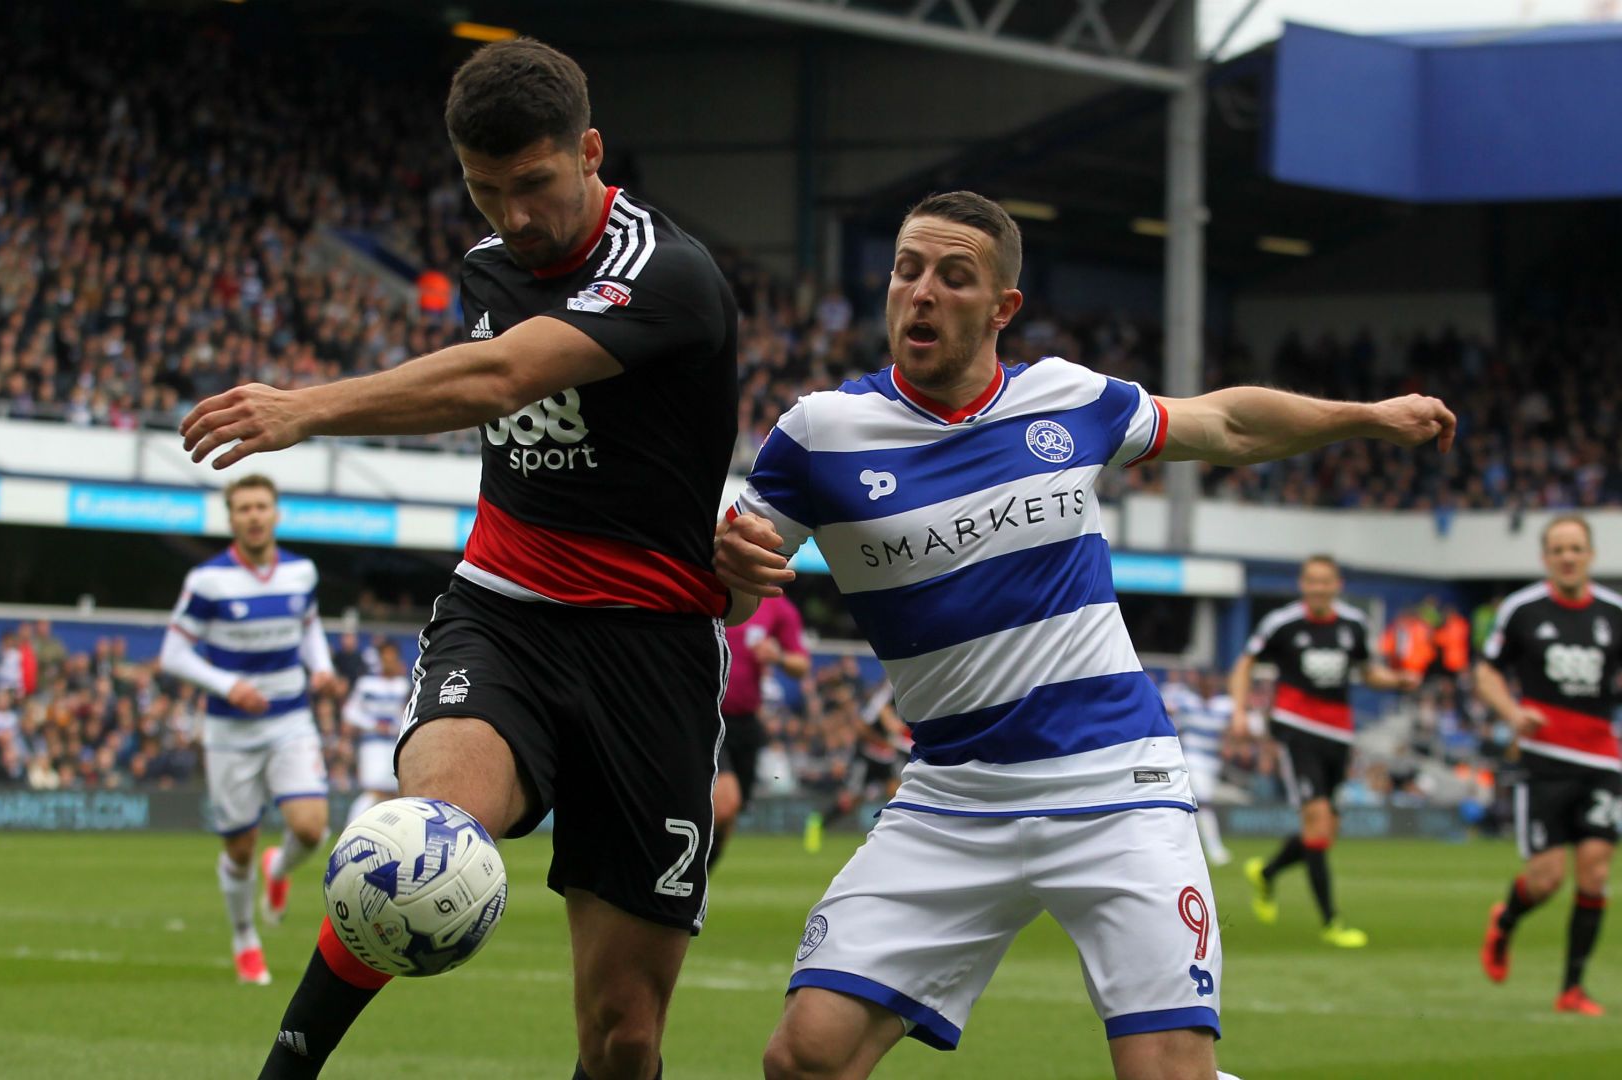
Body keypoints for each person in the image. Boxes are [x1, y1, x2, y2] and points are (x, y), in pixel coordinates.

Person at [715, 190, 1452, 1080]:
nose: (922, 292)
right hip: (954, 797)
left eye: (955, 277)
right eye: (908, 270)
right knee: (806, 1058)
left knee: (1166, 1072)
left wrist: (1366, 416)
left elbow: (1224, 423)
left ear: (1002, 307)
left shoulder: (1069, 398)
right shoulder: (818, 435)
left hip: (1117, 784)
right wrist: (728, 570)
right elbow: (731, 596)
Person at [181, 39, 739, 1080]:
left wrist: (306, 407)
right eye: (486, 192)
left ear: (590, 151)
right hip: (507, 615)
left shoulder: (669, 276)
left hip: (653, 651)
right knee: (413, 846)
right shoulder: (490, 266)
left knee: (623, 1037)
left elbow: (497, 377)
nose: (514, 219)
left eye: (534, 186)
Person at [159, 475, 338, 987]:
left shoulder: (302, 572)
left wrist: (320, 667)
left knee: (310, 828)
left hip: (289, 718)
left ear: (276, 514)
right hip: (230, 731)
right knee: (237, 848)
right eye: (243, 508)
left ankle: (278, 871)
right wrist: (226, 684)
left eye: (262, 506)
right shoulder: (207, 581)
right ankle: (244, 939)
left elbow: (308, 627)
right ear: (231, 518)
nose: (254, 515)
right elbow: (172, 654)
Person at [1230, 555, 1418, 948]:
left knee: (1324, 831)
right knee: (1316, 820)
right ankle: (1332, 921)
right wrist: (1239, 712)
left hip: (1338, 735)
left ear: (1337, 584)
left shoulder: (1353, 625)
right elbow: (1244, 664)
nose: (1318, 588)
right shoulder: (1282, 624)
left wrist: (1398, 680)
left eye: (1325, 581)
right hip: (1296, 728)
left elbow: (1368, 674)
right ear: (1302, 584)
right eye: (1311, 581)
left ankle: (1266, 873)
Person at [1477, 515, 1622, 1015]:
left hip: (1602, 760)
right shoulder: (1522, 611)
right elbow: (1486, 672)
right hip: (1544, 762)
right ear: (1545, 558)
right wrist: (1513, 713)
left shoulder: (1614, 613)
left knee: (1595, 872)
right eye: (1558, 549)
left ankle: (1572, 989)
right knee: (1545, 878)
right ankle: (1507, 921)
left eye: (1576, 548)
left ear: (1590, 556)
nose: (1567, 556)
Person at [712, 593, 809, 869]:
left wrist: (777, 656)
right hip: (708, 713)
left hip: (746, 722)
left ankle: (696, 884)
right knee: (725, 803)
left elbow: (801, 665)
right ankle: (688, 882)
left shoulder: (778, 608)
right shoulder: (714, 587)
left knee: (730, 815)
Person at [1161, 670, 1232, 865]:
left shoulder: (1225, 706)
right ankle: (1215, 849)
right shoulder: (1186, 701)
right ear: (1200, 684)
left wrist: (1229, 744)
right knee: (1204, 801)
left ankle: (1182, 845)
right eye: (1206, 683)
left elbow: (1234, 729)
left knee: (1198, 803)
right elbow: (1165, 707)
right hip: (1192, 757)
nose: (1209, 687)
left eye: (1212, 683)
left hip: (1213, 762)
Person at [340, 640, 410, 825]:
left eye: (392, 658)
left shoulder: (402, 686)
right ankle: (351, 829)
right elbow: (350, 712)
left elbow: (405, 715)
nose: (389, 662)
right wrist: (373, 724)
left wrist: (394, 726)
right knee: (374, 791)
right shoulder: (367, 684)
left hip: (393, 745)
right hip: (371, 745)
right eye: (385, 658)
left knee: (392, 794)